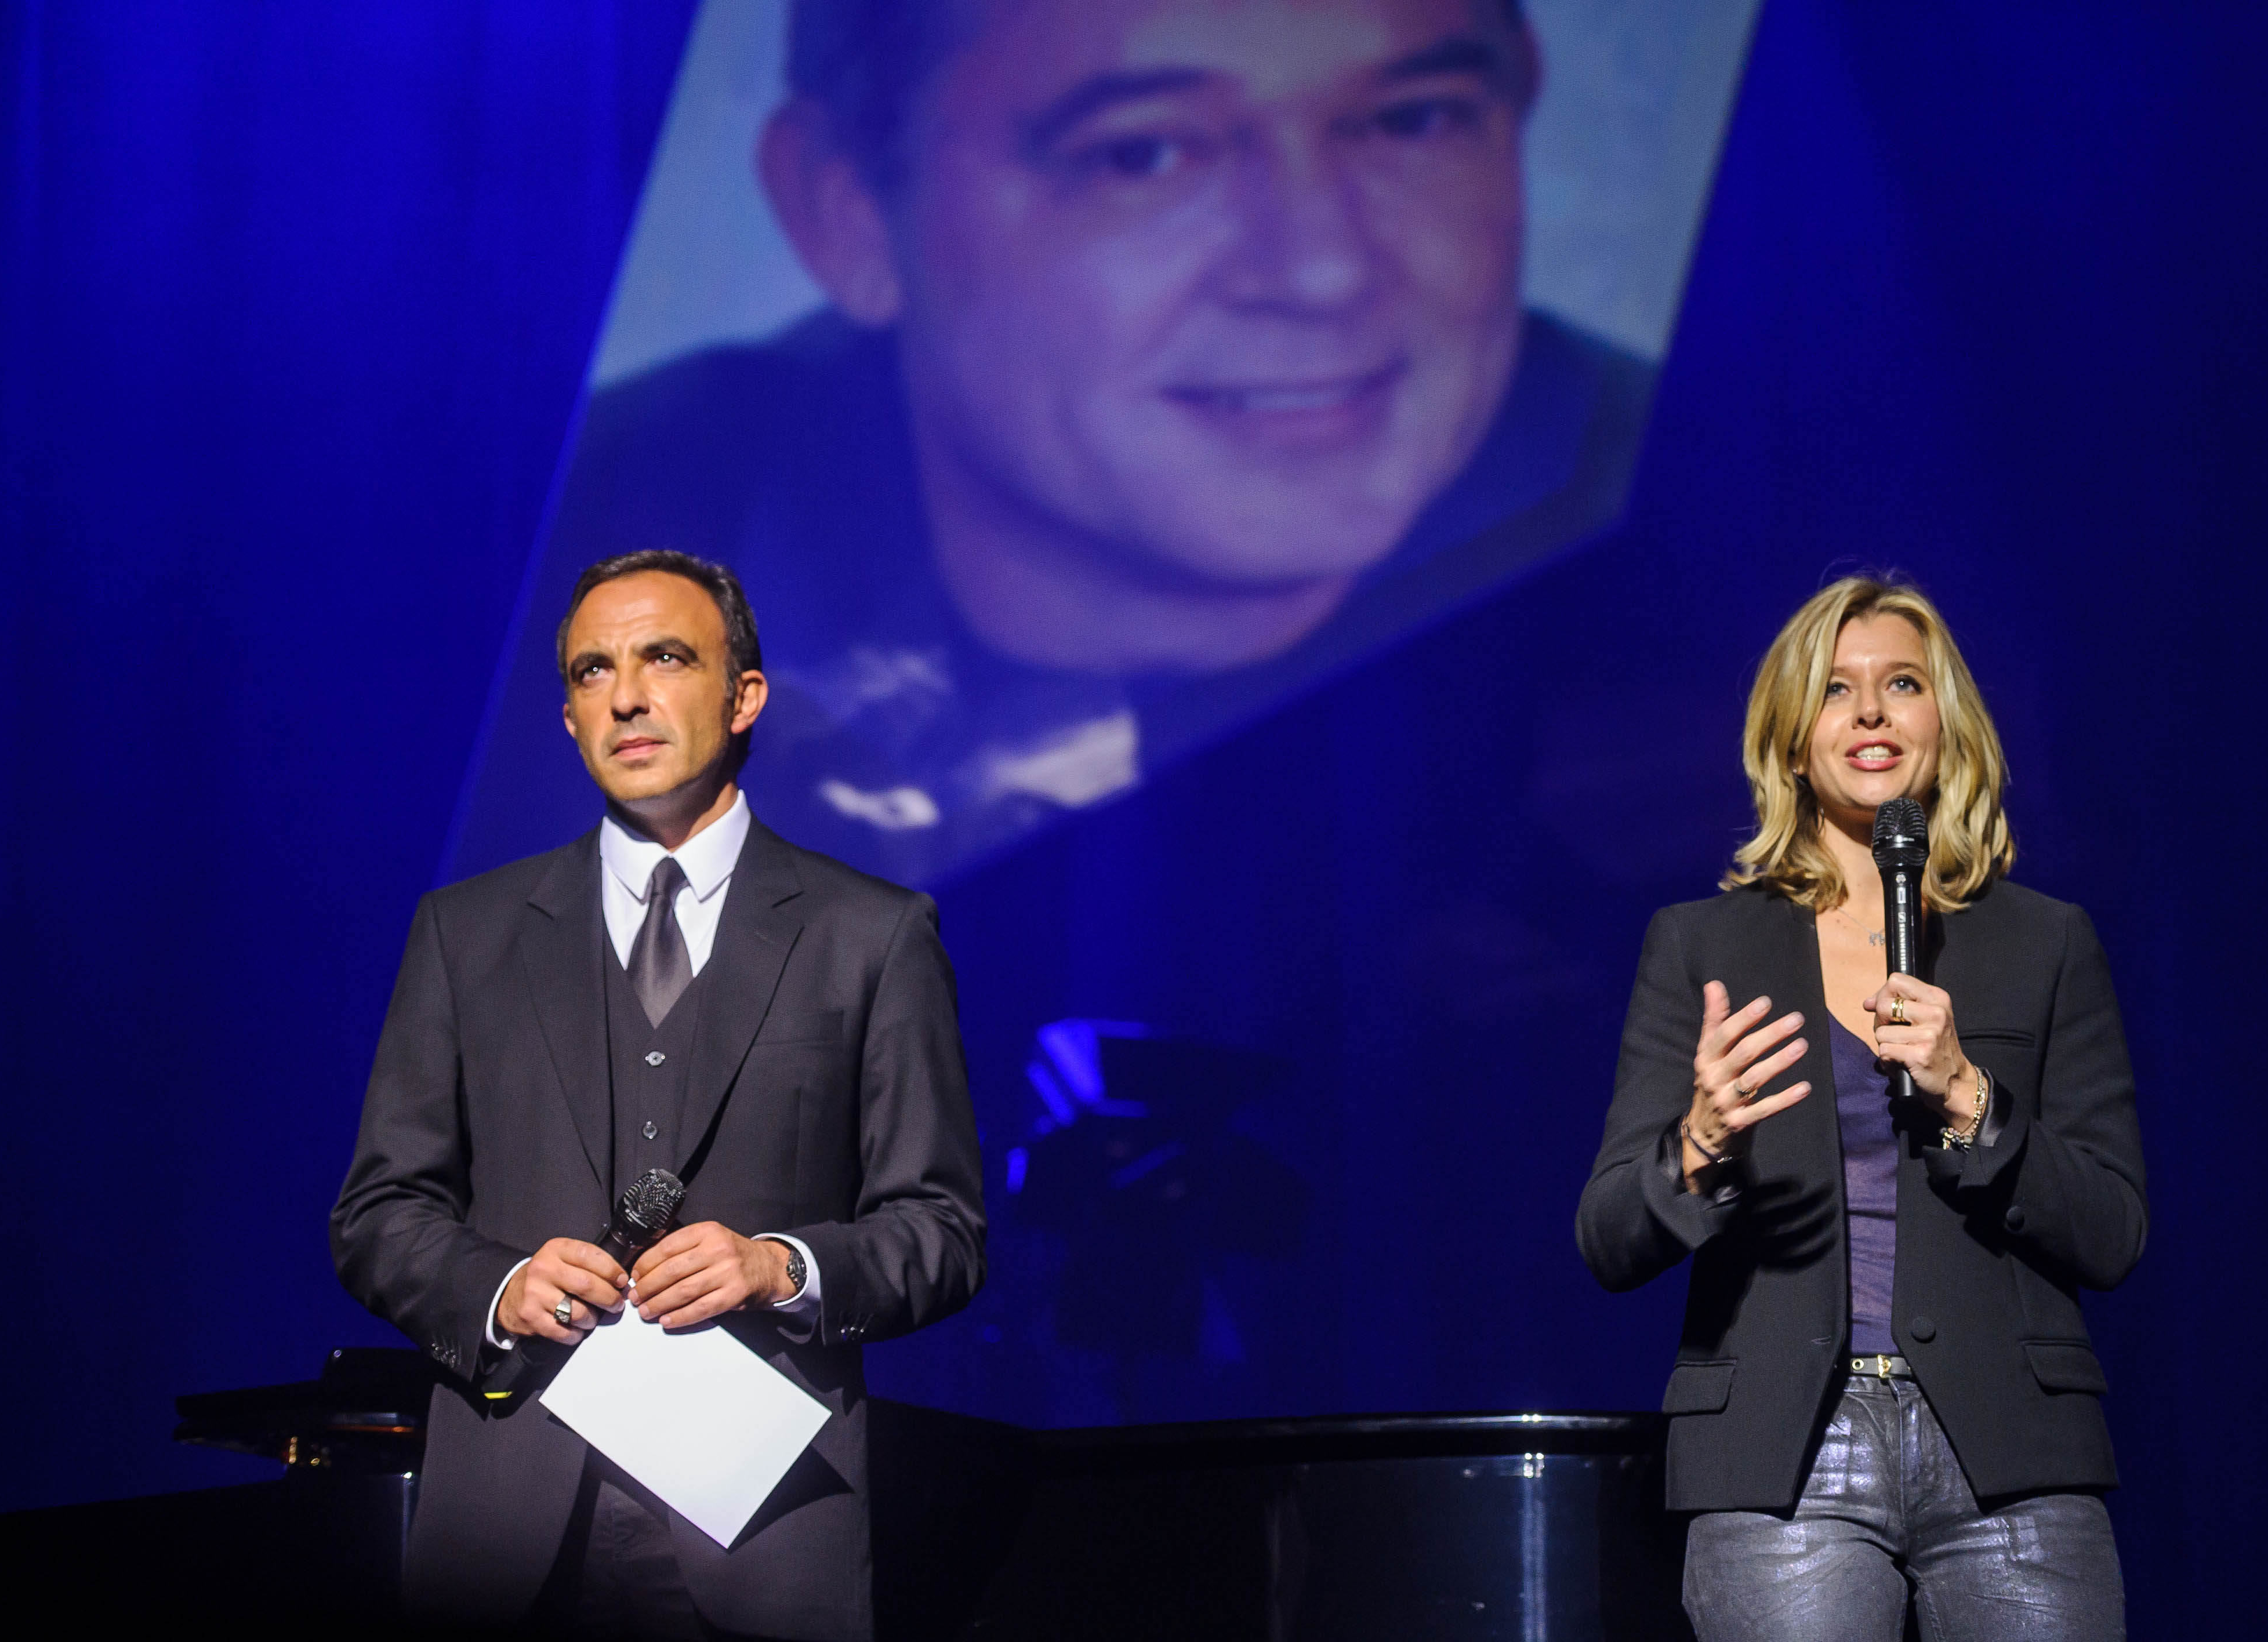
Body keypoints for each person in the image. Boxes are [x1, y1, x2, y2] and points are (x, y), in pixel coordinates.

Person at [458, 0, 1654, 886]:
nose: (1323, 268)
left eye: (1410, 121)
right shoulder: (528, 579)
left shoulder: (1694, 560)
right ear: (848, 214)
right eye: (1145, 152)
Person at [332, 550, 986, 1639]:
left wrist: (782, 1267)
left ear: (745, 697)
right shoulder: (467, 934)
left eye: (666, 658)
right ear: (570, 716)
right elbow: (377, 1213)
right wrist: (501, 1288)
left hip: (764, 1531)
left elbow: (944, 1230)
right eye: (593, 671)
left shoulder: (871, 935)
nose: (626, 696)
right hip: (503, 1534)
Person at [1576, 576, 2146, 1640]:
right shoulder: (1703, 946)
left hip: (2012, 1450)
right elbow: (1609, 1237)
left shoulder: (2046, 941)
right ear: (1794, 741)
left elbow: (2112, 1231)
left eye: (1903, 684)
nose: (1872, 712)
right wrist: (1701, 1142)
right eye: (1836, 690)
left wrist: (1970, 1096)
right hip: (1786, 1459)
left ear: (1947, 721)